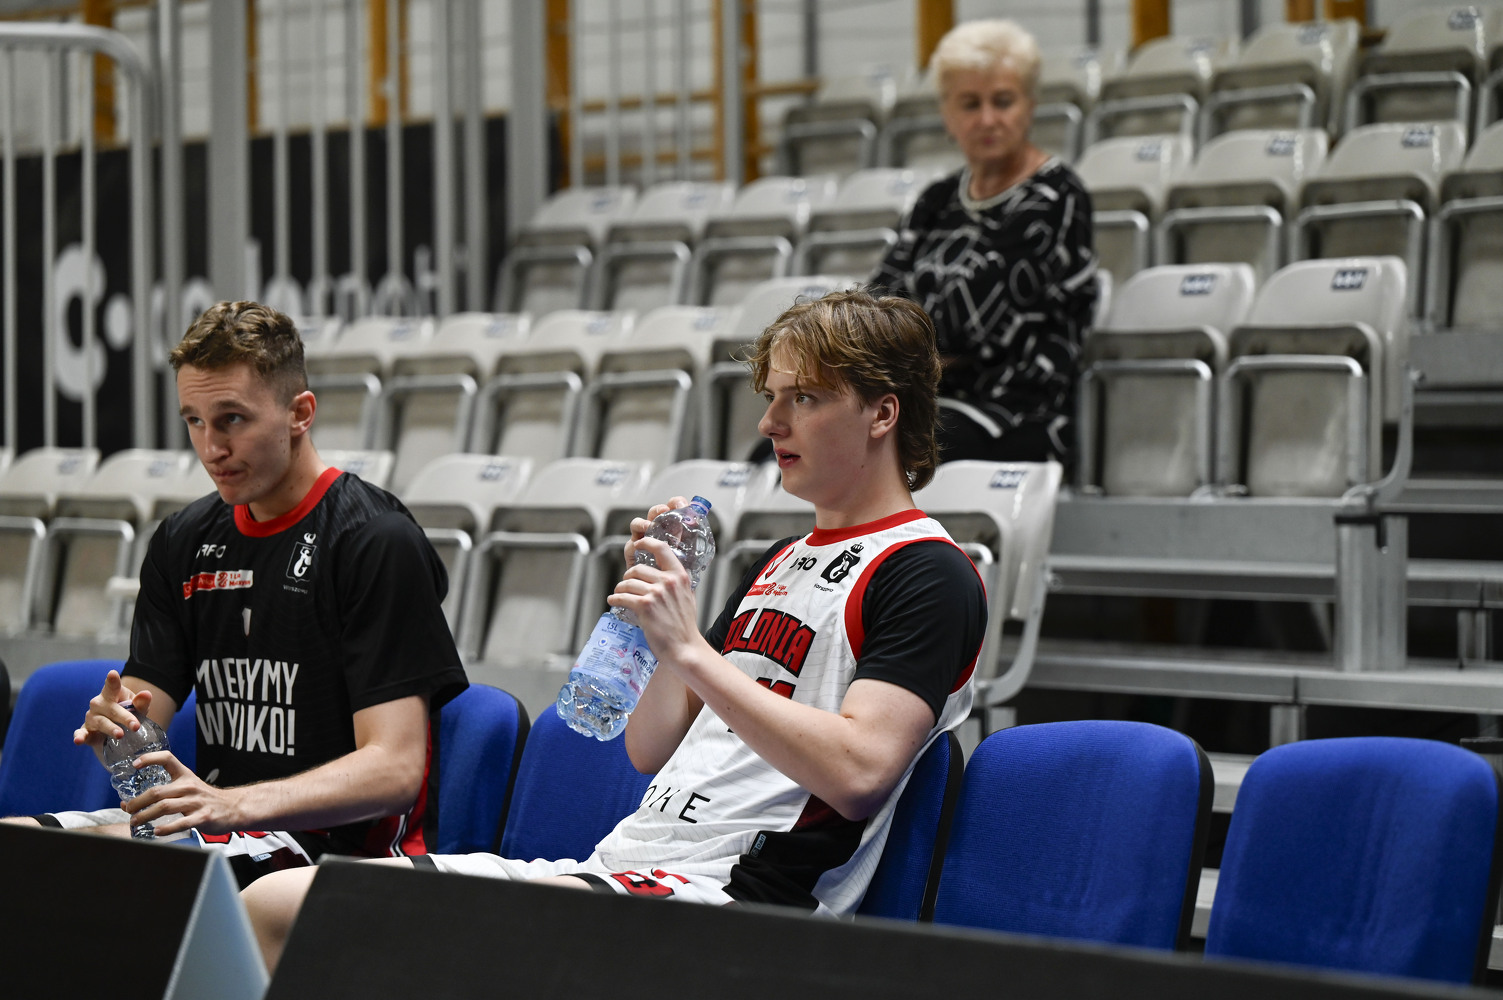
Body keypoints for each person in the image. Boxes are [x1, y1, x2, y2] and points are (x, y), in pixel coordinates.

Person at [243, 288, 987, 969]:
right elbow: (648, 747)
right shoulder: (782, 558)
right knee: (276, 904)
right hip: (623, 868)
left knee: (387, 934)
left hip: (740, 904)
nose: (770, 423)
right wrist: (656, 631)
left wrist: (690, 648)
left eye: (806, 398)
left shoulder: (928, 572)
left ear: (882, 414)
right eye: (772, 397)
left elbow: (859, 775)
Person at [3, 301, 467, 888]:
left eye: (231, 420)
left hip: (337, 852)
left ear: (300, 413)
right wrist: (118, 732)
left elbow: (395, 771)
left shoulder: (375, 540)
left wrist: (231, 804)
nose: (210, 448)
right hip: (222, 826)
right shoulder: (182, 541)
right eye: (194, 421)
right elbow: (143, 738)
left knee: (86, 873)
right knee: (16, 847)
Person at [873, 18, 1098, 469]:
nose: (988, 119)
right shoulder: (937, 200)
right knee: (785, 446)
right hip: (926, 402)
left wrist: (901, 348)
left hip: (1015, 412)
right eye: (971, 104)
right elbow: (878, 302)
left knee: (870, 451)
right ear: (947, 114)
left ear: (1029, 106)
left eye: (1003, 101)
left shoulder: (1057, 198)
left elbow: (973, 328)